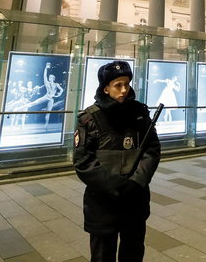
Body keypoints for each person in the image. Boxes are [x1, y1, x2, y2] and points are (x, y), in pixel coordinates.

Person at [73, 60, 160, 262]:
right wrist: (117, 185)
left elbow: (152, 150)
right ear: (105, 88)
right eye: (117, 85)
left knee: (133, 252)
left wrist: (136, 181)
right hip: (103, 203)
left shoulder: (140, 113)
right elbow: (83, 162)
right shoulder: (89, 119)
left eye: (126, 84)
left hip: (135, 199)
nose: (123, 90)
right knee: (103, 255)